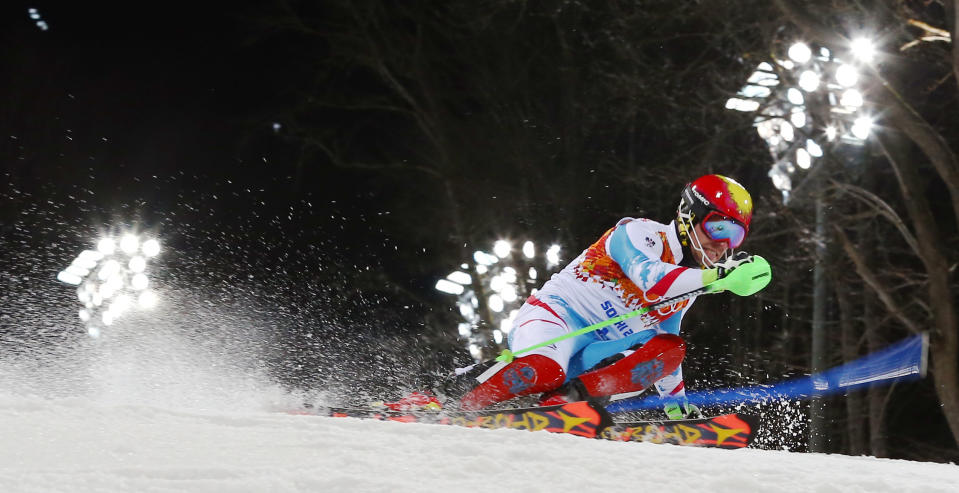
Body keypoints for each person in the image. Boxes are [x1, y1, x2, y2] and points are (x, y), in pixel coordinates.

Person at [388, 174, 768, 419]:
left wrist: (676, 410)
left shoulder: (691, 283)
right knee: (544, 367)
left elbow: (662, 345)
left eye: (734, 237)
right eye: (718, 227)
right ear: (688, 216)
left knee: (671, 347)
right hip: (554, 318)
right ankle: (447, 398)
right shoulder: (640, 234)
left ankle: (567, 404)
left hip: (594, 353)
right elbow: (651, 279)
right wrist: (718, 277)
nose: (723, 245)